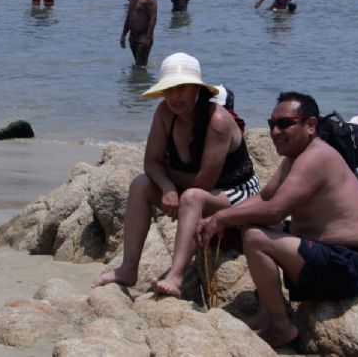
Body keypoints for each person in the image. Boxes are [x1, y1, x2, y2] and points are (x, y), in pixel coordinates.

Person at [194, 92, 358, 348]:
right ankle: (270, 312)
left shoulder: (317, 157)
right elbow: (264, 198)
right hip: (328, 254)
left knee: (256, 238)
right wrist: (219, 217)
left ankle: (281, 328)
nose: (275, 131)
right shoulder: (295, 157)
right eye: (271, 124)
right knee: (251, 225)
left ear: (310, 125)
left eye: (285, 123)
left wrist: (223, 217)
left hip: (349, 263)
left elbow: (275, 211)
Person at [93, 53, 260, 298]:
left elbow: (205, 182)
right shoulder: (164, 113)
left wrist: (168, 177)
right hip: (191, 186)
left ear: (197, 89)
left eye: (181, 88)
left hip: (236, 192)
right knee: (141, 184)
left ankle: (176, 277)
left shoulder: (218, 121)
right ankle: (128, 269)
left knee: (193, 197)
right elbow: (151, 161)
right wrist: (167, 188)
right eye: (169, 89)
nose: (174, 96)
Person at [120, 0, 157, 67]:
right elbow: (129, 17)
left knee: (140, 66)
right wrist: (123, 35)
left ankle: (141, 81)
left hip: (143, 36)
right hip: (133, 36)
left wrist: (147, 38)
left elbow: (153, 19)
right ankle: (139, 80)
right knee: (138, 64)